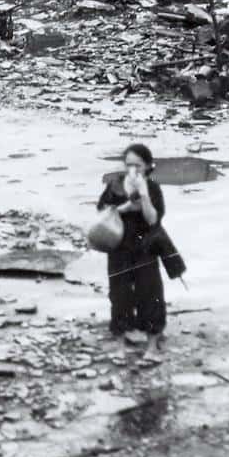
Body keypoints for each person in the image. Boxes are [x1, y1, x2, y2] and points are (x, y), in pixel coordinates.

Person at [97, 143, 166, 360]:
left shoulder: (153, 188)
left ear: (147, 166)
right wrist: (125, 207)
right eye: (128, 165)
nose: (132, 170)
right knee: (119, 293)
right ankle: (120, 345)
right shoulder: (115, 185)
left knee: (151, 292)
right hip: (119, 246)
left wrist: (144, 195)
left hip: (146, 246)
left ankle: (152, 345)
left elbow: (153, 219)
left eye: (137, 165)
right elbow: (102, 212)